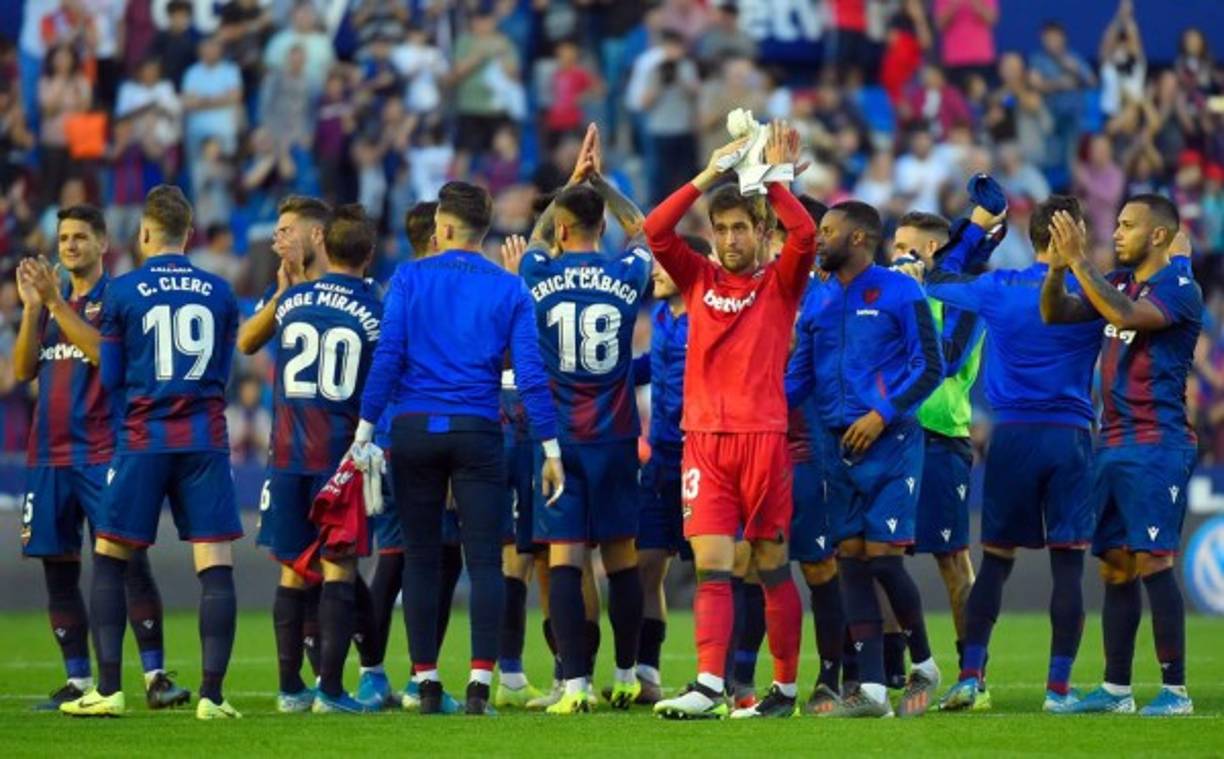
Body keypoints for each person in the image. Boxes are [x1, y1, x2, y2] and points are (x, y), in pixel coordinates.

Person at [352, 181, 563, 717]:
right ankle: (477, 685)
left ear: (443, 228)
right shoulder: (508, 289)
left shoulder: (409, 277)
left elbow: (389, 358)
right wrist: (551, 446)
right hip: (477, 430)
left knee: (421, 558)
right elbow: (532, 377)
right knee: (486, 560)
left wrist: (363, 430)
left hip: (415, 428)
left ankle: (425, 682)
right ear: (484, 231)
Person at [644, 120, 816, 720]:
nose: (729, 239)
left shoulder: (782, 282)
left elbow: (806, 231)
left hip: (763, 442)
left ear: (760, 230)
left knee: (770, 566)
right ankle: (709, 684)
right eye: (720, 230)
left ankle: (785, 690)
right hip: (704, 445)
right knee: (713, 564)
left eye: (740, 228)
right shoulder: (697, 279)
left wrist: (774, 182)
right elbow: (654, 228)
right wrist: (712, 172)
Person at [60, 185, 242, 720]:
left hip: (142, 439)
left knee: (112, 558)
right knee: (215, 562)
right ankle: (212, 696)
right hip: (205, 439)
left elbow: (111, 375)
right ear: (189, 235)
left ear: (143, 234)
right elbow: (224, 373)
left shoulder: (123, 293)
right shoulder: (221, 292)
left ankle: (111, 689)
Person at [923, 196, 1102, 712]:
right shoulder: (1096, 293)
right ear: (1076, 233)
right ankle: (1058, 692)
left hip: (1012, 437)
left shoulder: (999, 286)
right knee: (1068, 568)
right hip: (1069, 436)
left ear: (1035, 234)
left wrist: (977, 229)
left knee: (996, 562)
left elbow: (937, 278)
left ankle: (970, 676)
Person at [13, 205, 187, 713]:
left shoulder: (120, 299)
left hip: (105, 451)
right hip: (48, 456)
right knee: (58, 568)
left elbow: (103, 357)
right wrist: (31, 310)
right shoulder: (49, 304)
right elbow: (23, 370)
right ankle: (78, 680)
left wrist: (55, 306)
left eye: (80, 237)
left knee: (127, 561)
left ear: (103, 243)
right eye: (63, 238)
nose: (69, 246)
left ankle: (155, 675)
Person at [501, 125, 650, 715]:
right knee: (622, 559)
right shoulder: (625, 274)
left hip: (558, 440)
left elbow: (535, 239)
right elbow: (645, 232)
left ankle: (577, 683)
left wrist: (570, 184)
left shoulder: (539, 272)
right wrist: (602, 185)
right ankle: (628, 673)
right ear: (602, 229)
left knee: (565, 556)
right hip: (616, 436)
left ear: (562, 228)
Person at [1040, 194, 1202, 717]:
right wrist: (1058, 268)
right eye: (1118, 224)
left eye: (1128, 226)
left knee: (1154, 560)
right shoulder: (1122, 281)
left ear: (1158, 236)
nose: (1117, 233)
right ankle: (1116, 691)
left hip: (1158, 442)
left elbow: (1127, 316)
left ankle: (1174, 691)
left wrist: (1081, 261)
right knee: (1115, 566)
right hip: (1111, 440)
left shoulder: (1179, 288)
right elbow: (1055, 312)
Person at [786, 201, 944, 718]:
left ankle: (923, 661)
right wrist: (757, 408)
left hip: (890, 441)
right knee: (850, 557)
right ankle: (873, 688)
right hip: (835, 443)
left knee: (881, 556)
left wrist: (882, 413)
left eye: (827, 231)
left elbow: (930, 367)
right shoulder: (818, 298)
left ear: (858, 238)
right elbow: (800, 375)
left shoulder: (901, 290)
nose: (818, 239)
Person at [256, 204, 384, 714]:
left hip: (286, 449)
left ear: (325, 249)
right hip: (339, 454)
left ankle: (290, 689)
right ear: (370, 254)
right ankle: (330, 690)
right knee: (339, 569)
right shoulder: (377, 310)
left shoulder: (291, 301)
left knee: (291, 569)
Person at [888, 208, 1002, 684]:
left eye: (902, 246)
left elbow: (949, 360)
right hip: (893, 434)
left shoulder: (966, 298)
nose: (893, 255)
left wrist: (912, 293)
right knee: (882, 556)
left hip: (941, 438)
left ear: (930, 248)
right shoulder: (893, 290)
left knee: (952, 560)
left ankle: (971, 674)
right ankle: (895, 668)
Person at [238, 195, 331, 356]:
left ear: (317, 235)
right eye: (276, 236)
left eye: (286, 232)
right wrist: (280, 296)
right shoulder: (282, 289)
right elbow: (245, 342)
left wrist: (300, 287)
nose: (277, 244)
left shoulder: (346, 284)